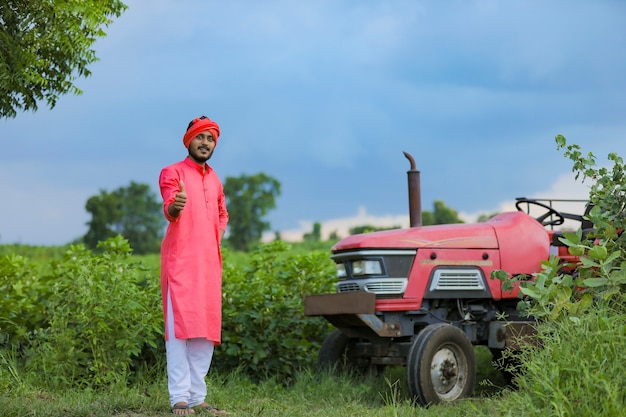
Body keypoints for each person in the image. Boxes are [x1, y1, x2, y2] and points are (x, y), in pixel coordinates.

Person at [158, 116, 229, 415]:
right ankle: (179, 398)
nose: (205, 143)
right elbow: (170, 205)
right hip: (181, 265)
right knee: (179, 333)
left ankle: (198, 395)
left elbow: (223, 213)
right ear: (189, 140)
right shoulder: (172, 172)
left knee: (205, 333)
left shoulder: (214, 180)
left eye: (210, 138)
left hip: (209, 266)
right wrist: (176, 206)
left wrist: (216, 235)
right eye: (200, 137)